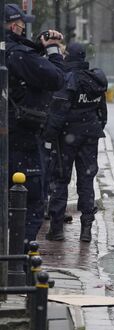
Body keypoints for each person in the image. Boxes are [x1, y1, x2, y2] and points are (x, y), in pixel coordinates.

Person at [5, 3, 65, 248]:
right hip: (24, 138)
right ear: (11, 24)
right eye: (21, 24)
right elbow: (57, 78)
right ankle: (19, 264)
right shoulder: (18, 55)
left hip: (9, 136)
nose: (23, 28)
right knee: (31, 202)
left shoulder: (13, 52)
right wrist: (52, 51)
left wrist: (36, 46)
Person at [44, 43, 108, 242]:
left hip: (67, 137)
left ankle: (56, 229)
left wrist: (48, 137)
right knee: (86, 181)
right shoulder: (94, 80)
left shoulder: (67, 79)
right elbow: (102, 113)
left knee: (60, 180)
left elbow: (58, 112)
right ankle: (86, 229)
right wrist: (93, 128)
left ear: (69, 56)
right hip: (90, 136)